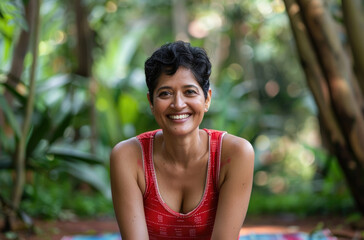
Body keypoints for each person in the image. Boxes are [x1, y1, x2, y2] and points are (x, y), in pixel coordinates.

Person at [110, 41, 254, 240]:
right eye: (165, 93)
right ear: (151, 103)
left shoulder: (234, 154)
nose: (178, 104)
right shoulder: (128, 156)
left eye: (190, 92)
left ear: (207, 99)